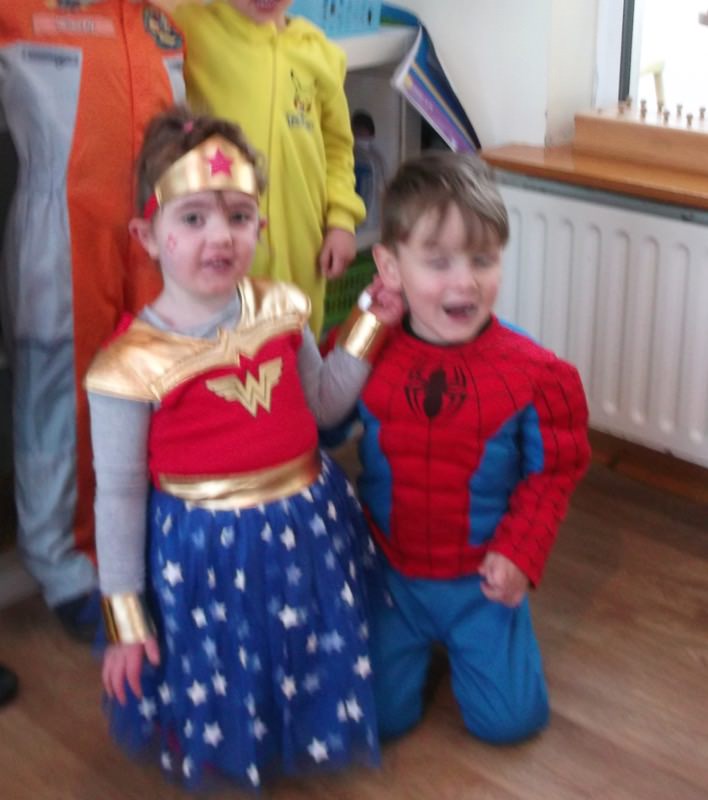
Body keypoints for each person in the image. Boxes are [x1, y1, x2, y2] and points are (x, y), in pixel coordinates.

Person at [85, 107, 398, 790]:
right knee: (223, 661)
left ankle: (298, 728)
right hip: (204, 557)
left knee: (296, 644)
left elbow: (324, 405)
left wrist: (371, 322)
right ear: (148, 235)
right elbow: (120, 496)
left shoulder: (282, 307)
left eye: (238, 215)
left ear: (261, 224)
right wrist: (126, 617)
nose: (219, 236)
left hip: (303, 530)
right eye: (193, 217)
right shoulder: (128, 365)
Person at [339, 151, 591, 743]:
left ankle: (488, 639)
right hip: (390, 575)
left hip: (481, 581)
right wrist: (360, 326)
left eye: (483, 258)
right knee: (378, 718)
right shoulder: (365, 349)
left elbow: (554, 471)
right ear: (390, 265)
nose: (465, 281)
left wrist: (520, 553)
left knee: (510, 723)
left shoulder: (536, 373)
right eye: (438, 261)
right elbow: (318, 424)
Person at [0, 0, 185, 640]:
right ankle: (65, 564)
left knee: (155, 389)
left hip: (155, 234)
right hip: (61, 229)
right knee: (60, 396)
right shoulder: (18, 11)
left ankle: (138, 548)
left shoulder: (165, 23)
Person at [171, 0, 365, 336]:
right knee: (225, 347)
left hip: (302, 242)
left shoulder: (319, 52)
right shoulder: (191, 28)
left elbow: (338, 148)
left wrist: (342, 220)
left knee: (297, 341)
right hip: (220, 239)